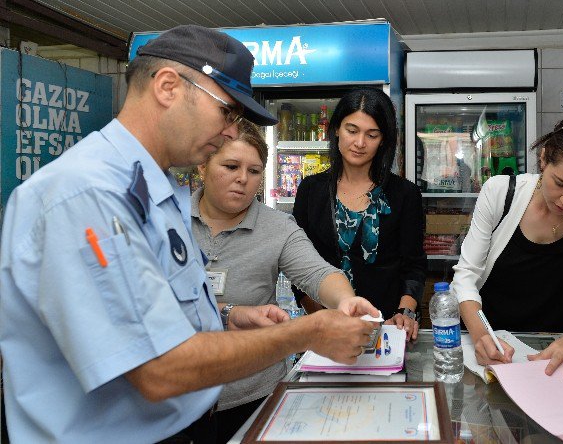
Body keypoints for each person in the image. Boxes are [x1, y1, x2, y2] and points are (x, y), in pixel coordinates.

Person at [0, 25, 379, 444]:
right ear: (167, 87)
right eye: (227, 112)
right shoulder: (87, 196)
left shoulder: (154, 193)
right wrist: (307, 332)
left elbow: (146, 312)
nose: (233, 132)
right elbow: (158, 368)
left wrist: (226, 318)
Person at [191, 118, 363, 442]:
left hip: (253, 396)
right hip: (179, 400)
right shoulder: (165, 219)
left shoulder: (278, 227)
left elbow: (319, 273)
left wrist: (345, 300)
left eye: (254, 171)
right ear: (202, 166)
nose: (243, 179)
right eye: (230, 166)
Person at [452, 111, 563, 382]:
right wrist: (482, 336)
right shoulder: (500, 193)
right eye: (560, 183)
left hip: (552, 365)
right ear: (544, 158)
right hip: (489, 353)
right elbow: (465, 278)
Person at [293, 87, 427, 341]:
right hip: (324, 330)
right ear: (336, 129)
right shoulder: (311, 191)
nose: (359, 143)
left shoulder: (404, 194)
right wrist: (321, 321)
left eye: (372, 134)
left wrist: (405, 312)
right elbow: (299, 267)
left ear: (384, 140)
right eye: (352, 130)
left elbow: (414, 266)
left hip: (387, 329)